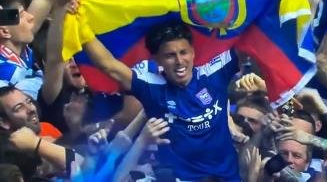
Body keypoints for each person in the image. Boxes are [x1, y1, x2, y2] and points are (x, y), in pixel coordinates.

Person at [81, 18, 241, 180]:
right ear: (157, 60)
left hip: (228, 177)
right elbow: (107, 65)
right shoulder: (150, 86)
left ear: (193, 52)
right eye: (170, 55)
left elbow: (250, 42)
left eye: (183, 52)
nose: (179, 61)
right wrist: (80, 23)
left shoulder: (215, 70)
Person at [0, 0, 42, 99]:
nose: (31, 16)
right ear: (5, 32)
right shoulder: (8, 72)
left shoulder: (24, 50)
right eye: (21, 14)